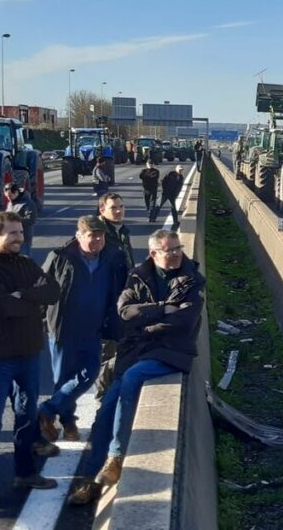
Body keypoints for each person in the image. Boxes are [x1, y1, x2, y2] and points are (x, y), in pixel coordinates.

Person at [68, 229, 205, 505]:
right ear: (154, 254)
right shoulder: (138, 275)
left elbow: (185, 320)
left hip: (172, 351)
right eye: (170, 250)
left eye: (178, 247)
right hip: (136, 349)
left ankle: (117, 456)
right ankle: (92, 480)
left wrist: (148, 323)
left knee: (132, 378)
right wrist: (163, 308)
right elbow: (125, 311)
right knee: (105, 411)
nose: (177, 253)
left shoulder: (193, 279)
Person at [0, 211, 60, 509]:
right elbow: (4, 307)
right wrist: (28, 300)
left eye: (20, 232)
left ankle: (24, 473)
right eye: (12, 233)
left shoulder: (26, 262)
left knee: (26, 416)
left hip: (30, 352)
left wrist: (22, 294)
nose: (19, 238)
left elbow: (53, 291)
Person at [38, 216, 127, 443]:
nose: (97, 239)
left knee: (89, 373)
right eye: (91, 235)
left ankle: (47, 409)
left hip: (94, 327)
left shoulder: (113, 257)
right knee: (63, 378)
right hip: (62, 328)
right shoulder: (59, 257)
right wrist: (39, 321)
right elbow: (40, 288)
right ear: (79, 236)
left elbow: (123, 287)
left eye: (100, 235)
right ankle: (67, 424)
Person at [93, 192, 134, 400]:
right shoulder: (99, 236)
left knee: (120, 352)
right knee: (106, 356)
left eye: (121, 207)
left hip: (122, 304)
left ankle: (112, 396)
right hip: (105, 308)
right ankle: (102, 401)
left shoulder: (121, 232)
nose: (119, 211)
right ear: (102, 210)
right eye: (113, 208)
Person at [5, 183, 38, 256]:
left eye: (10, 196)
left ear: (16, 192)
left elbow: (31, 220)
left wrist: (14, 220)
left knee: (24, 260)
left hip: (23, 238)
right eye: (7, 196)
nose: (8, 198)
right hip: (11, 239)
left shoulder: (28, 203)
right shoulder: (11, 203)